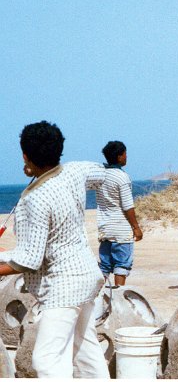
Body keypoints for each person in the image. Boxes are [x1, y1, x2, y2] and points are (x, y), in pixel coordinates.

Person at [0, 121, 109, 378]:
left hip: (64, 288)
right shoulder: (74, 171)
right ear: (59, 150)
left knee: (46, 360)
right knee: (85, 350)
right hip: (87, 276)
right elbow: (102, 173)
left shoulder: (34, 200)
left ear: (25, 155)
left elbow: (28, 261)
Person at [96, 141, 143, 286]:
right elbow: (128, 206)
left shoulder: (101, 175)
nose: (126, 157)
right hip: (121, 230)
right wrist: (136, 227)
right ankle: (118, 301)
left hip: (105, 229)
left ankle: (100, 299)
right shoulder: (122, 177)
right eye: (124, 154)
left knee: (104, 266)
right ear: (119, 156)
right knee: (121, 266)